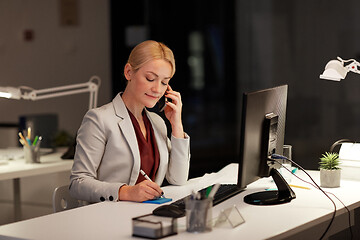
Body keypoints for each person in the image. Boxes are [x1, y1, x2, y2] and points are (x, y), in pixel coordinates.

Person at [69, 40, 190, 203]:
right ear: (128, 72)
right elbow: (78, 183)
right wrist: (126, 192)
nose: (157, 89)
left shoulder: (157, 123)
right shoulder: (99, 119)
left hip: (148, 214)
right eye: (150, 78)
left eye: (164, 82)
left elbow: (179, 179)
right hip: (109, 217)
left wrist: (176, 124)